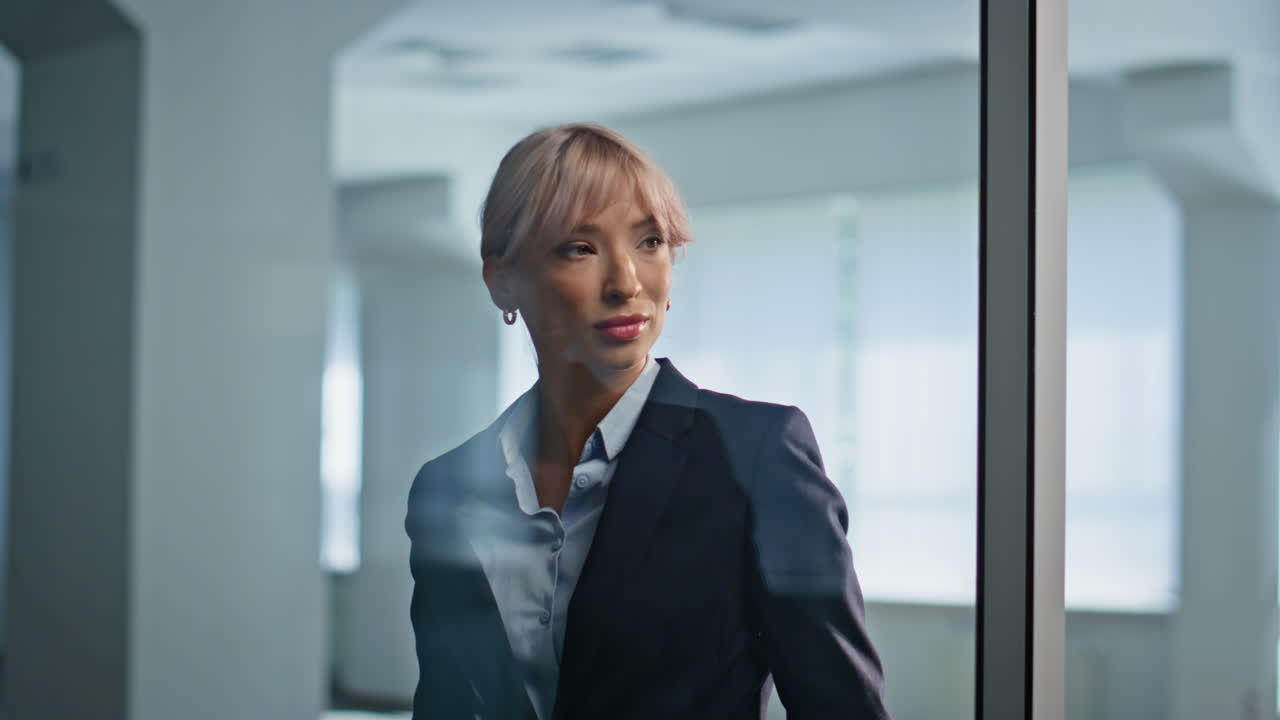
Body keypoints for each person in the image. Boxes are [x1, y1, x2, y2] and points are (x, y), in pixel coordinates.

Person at [404, 122, 890, 720]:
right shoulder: (448, 488)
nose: (627, 283)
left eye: (650, 242)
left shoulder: (757, 456)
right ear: (502, 279)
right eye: (579, 248)